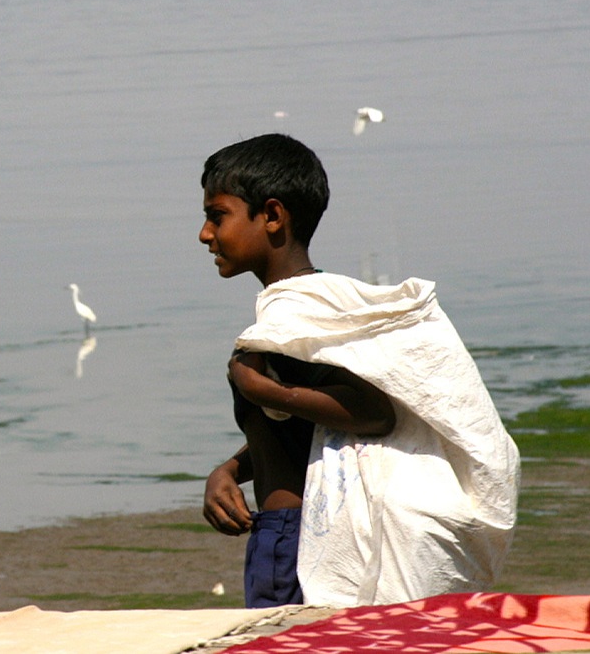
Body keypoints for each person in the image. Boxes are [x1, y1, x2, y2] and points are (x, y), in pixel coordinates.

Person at [198, 133, 519, 609]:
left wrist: (260, 390)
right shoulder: (319, 312)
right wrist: (232, 467)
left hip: (295, 539)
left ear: (271, 216)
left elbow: (372, 411)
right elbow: (314, 422)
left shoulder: (296, 320)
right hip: (296, 531)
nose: (205, 233)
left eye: (217, 215)